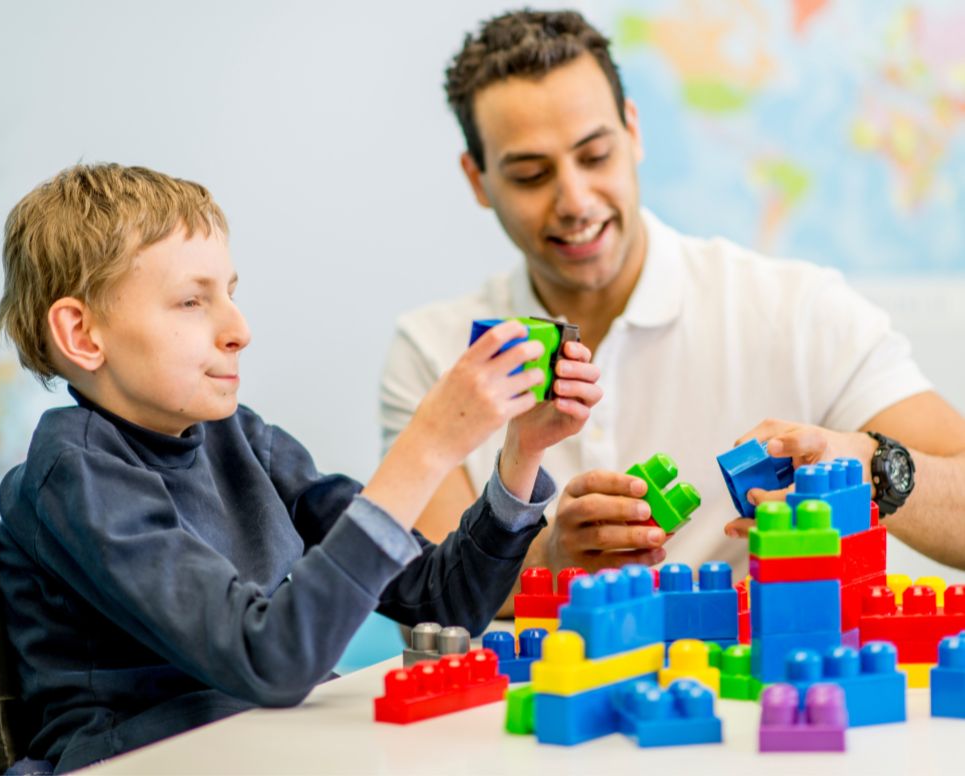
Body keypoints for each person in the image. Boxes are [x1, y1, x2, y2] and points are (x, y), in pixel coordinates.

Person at [0, 163, 602, 771]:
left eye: (231, 293)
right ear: (82, 333)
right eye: (190, 301)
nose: (240, 330)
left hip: (257, 737)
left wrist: (523, 451)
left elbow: (444, 603)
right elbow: (269, 657)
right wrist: (430, 446)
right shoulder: (74, 473)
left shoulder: (238, 437)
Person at [379, 9, 965, 615]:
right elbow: (422, 583)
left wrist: (867, 470)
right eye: (531, 174)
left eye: (596, 155)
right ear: (477, 180)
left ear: (633, 131)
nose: (575, 201)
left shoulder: (798, 311)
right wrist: (548, 557)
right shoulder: (434, 349)